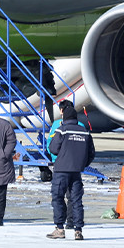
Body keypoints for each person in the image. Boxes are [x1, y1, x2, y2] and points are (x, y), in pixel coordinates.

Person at [47, 99, 95, 240]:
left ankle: (59, 228)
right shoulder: (85, 132)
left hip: (61, 170)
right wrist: (82, 163)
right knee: (76, 200)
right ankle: (78, 230)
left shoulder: (61, 130)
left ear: (64, 116)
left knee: (57, 198)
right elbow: (91, 153)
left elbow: (53, 149)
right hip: (76, 171)